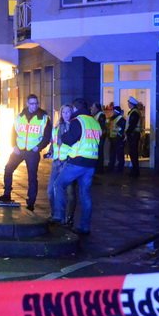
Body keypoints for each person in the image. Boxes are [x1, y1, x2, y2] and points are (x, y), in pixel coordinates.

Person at [54, 97, 102, 237]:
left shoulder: (78, 121)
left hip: (77, 162)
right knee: (85, 194)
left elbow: (69, 139)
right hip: (91, 163)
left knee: (59, 185)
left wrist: (63, 136)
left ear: (75, 108)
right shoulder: (94, 122)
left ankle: (59, 217)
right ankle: (84, 226)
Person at [0, 94, 52, 211]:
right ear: (27, 104)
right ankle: (7, 194)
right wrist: (13, 145)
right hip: (19, 150)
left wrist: (39, 147)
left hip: (32, 151)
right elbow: (13, 131)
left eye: (36, 103)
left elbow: (47, 136)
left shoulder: (44, 117)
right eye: (31, 103)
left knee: (32, 177)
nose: (34, 106)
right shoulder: (20, 116)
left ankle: (31, 202)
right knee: (8, 169)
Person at [47, 104, 76, 226]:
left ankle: (67, 218)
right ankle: (55, 214)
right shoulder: (57, 127)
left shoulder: (74, 127)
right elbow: (53, 143)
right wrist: (50, 152)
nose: (66, 115)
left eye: (68, 112)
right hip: (56, 162)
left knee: (69, 192)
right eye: (64, 112)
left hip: (67, 163)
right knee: (50, 191)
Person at [125, 96, 143, 177]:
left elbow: (132, 124)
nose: (128, 104)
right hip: (134, 134)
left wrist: (128, 132)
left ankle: (135, 172)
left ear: (131, 104)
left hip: (133, 135)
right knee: (133, 153)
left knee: (133, 153)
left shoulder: (134, 112)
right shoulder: (134, 112)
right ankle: (134, 171)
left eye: (128, 103)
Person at [106, 104, 126, 173]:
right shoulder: (112, 118)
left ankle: (120, 169)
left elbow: (122, 130)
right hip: (112, 139)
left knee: (119, 155)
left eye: (113, 111)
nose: (112, 112)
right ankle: (111, 167)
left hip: (118, 140)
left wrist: (119, 137)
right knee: (112, 154)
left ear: (116, 111)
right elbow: (109, 128)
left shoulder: (121, 119)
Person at [91, 102, 107, 173]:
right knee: (97, 153)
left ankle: (100, 169)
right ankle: (98, 168)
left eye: (93, 107)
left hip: (100, 137)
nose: (92, 109)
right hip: (96, 137)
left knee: (100, 153)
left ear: (97, 108)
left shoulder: (101, 115)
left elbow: (101, 127)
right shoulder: (96, 115)